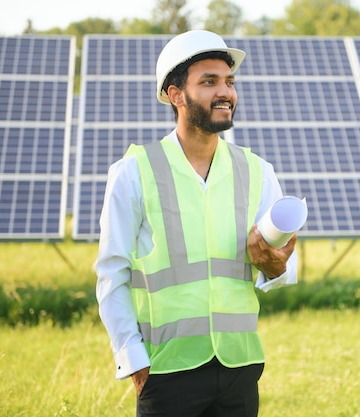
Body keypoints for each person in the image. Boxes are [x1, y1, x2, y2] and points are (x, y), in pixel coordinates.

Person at [95, 29, 298, 417]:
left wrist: (276, 268)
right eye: (209, 82)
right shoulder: (135, 172)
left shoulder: (257, 171)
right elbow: (111, 274)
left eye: (229, 81)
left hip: (240, 368)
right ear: (176, 95)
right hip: (167, 370)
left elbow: (284, 262)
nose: (225, 92)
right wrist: (133, 359)